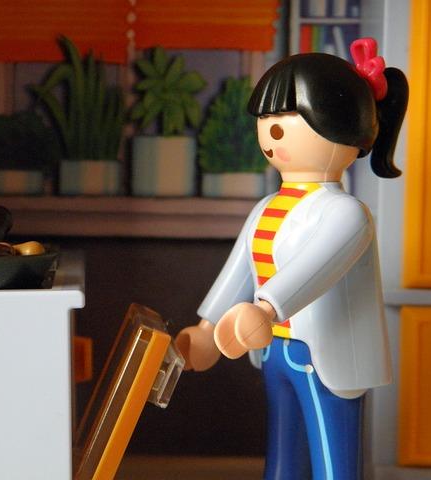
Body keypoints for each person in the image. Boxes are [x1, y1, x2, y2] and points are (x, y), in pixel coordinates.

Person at [175, 38, 408, 480]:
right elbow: (239, 271)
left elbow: (315, 269)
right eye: (267, 120)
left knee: (333, 460)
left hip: (325, 355)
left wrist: (267, 308)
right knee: (283, 455)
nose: (273, 132)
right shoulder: (267, 207)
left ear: (343, 128)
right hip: (274, 351)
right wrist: (208, 329)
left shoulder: (346, 213)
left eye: (288, 119)